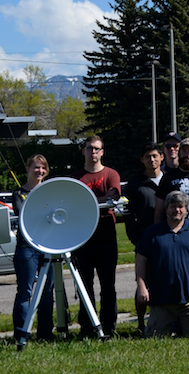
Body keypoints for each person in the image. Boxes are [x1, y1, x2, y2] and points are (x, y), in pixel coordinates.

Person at [135, 191, 189, 337]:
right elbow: (141, 259)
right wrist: (142, 287)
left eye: (180, 206)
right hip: (161, 302)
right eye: (173, 206)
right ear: (166, 209)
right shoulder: (152, 232)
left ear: (186, 209)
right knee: (154, 340)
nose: (177, 210)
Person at [72, 135, 122, 336]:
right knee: (84, 287)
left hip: (107, 238)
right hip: (83, 240)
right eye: (89, 148)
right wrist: (99, 201)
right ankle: (87, 327)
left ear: (102, 152)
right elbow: (73, 202)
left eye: (97, 149)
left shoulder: (111, 174)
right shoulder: (76, 178)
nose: (93, 152)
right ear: (83, 151)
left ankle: (109, 327)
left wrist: (87, 201)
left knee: (107, 286)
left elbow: (113, 197)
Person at [12, 155, 55, 341]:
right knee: (25, 292)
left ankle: (45, 334)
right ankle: (22, 333)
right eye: (36, 167)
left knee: (47, 291)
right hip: (26, 248)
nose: (40, 171)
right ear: (28, 169)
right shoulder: (18, 194)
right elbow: (24, 214)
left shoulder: (50, 192)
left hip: (48, 247)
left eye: (43, 168)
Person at [123, 143, 164, 332]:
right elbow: (128, 214)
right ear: (142, 160)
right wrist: (136, 238)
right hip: (144, 240)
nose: (152, 160)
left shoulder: (170, 180)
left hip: (166, 238)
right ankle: (140, 323)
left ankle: (164, 321)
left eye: (155, 156)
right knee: (143, 282)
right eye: (147, 156)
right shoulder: (135, 184)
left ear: (162, 157)